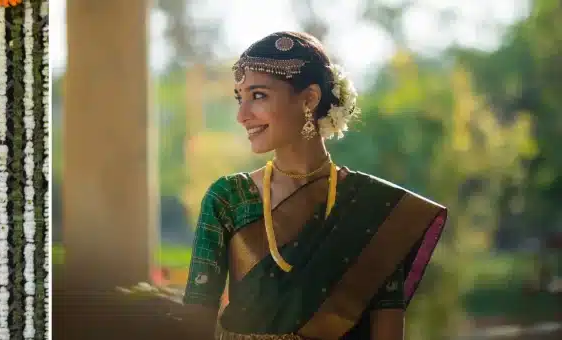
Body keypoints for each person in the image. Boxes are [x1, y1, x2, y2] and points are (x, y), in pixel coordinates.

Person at [181, 32, 448, 339]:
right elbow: (195, 321)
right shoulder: (228, 198)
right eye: (240, 98)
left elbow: (386, 328)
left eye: (258, 96)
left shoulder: (375, 209)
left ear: (309, 98)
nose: (242, 116)